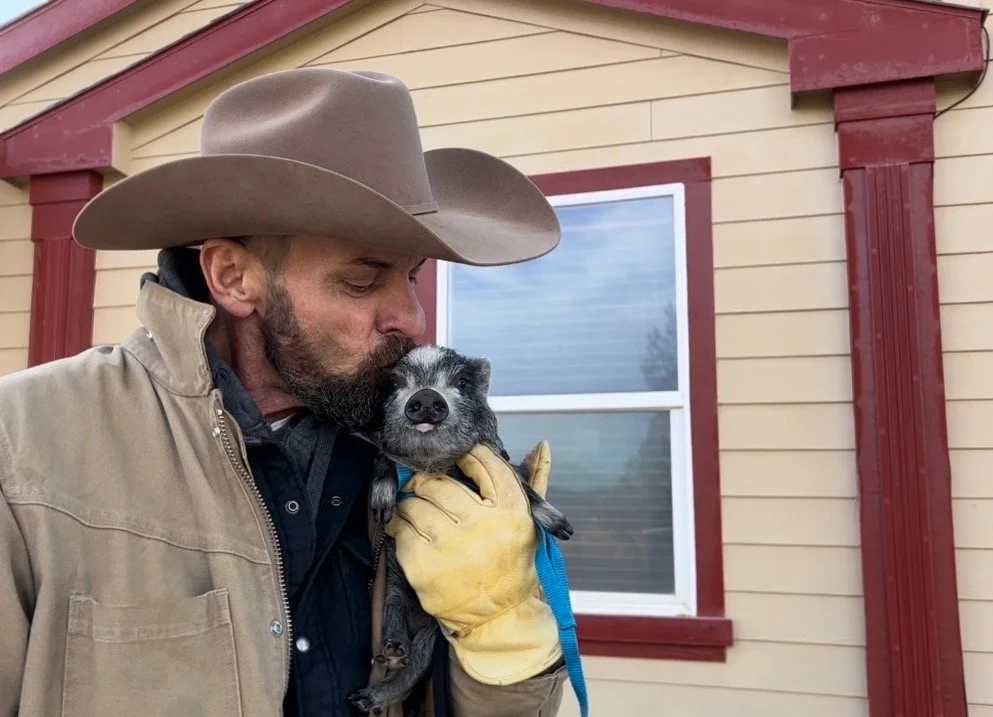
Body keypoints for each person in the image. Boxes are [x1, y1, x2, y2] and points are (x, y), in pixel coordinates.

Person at [0, 68, 568, 716]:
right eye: (363, 281)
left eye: (410, 276)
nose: (411, 318)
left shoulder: (414, 454)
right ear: (233, 277)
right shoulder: (23, 445)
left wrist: (504, 644)